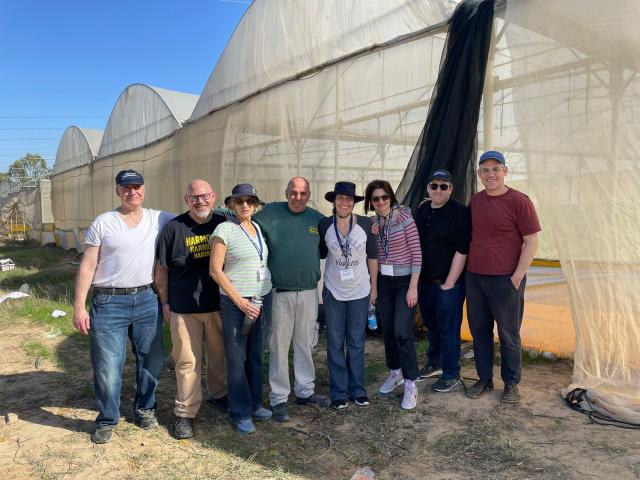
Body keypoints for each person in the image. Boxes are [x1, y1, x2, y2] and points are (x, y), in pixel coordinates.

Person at [72, 169, 174, 444]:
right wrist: (79, 307)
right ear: (118, 191)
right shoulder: (105, 222)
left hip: (146, 299)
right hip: (108, 302)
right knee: (108, 365)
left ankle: (145, 409)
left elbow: (195, 217)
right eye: (126, 188)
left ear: (144, 188)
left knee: (152, 360)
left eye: (137, 186)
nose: (132, 192)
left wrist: (232, 214)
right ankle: (107, 419)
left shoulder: (159, 218)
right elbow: (88, 265)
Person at [465, 151, 540, 403]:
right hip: (476, 278)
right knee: (480, 332)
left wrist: (517, 276)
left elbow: (531, 242)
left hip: (506, 280)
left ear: (505, 171)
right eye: (485, 170)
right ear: (479, 174)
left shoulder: (519, 201)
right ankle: (484, 378)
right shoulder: (476, 201)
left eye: (495, 169)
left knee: (508, 334)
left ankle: (511, 384)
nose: (490, 174)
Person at [155, 179, 227, 439]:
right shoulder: (173, 229)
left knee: (219, 357)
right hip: (184, 309)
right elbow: (161, 270)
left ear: (213, 196)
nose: (200, 201)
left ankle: (220, 396)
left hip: (218, 305)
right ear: (187, 200)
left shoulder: (223, 225)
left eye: (205, 196)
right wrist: (164, 302)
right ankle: (185, 413)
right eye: (194, 197)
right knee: (187, 361)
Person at [253, 177, 329, 423]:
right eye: (293, 193)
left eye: (303, 193)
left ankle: (305, 391)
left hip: (308, 292)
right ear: (286, 193)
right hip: (280, 293)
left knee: (305, 342)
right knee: (279, 345)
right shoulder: (270, 213)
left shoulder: (317, 219)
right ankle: (279, 398)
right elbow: (246, 222)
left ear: (309, 195)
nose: (298, 197)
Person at [209, 183, 273, 434]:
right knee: (236, 359)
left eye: (249, 201)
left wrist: (255, 300)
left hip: (260, 299)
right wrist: (239, 301)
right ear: (231, 205)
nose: (244, 205)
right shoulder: (224, 229)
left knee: (256, 355)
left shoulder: (256, 227)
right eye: (239, 201)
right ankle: (240, 412)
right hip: (237, 303)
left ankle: (255, 403)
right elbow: (215, 270)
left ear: (255, 204)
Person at [318, 181, 378, 410]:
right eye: (340, 198)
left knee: (356, 341)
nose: (344, 202)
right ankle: (338, 391)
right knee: (334, 342)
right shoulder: (324, 224)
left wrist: (374, 287)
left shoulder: (366, 223)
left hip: (360, 291)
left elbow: (372, 256)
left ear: (354, 203)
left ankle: (358, 389)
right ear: (334, 201)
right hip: (334, 290)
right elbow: (320, 252)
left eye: (349, 199)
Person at [363, 180, 421, 410]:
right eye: (375, 198)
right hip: (384, 282)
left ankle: (410, 383)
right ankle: (395, 372)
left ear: (391, 197)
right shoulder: (373, 223)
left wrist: (414, 286)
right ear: (370, 202)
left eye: (384, 197)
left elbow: (417, 253)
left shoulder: (405, 217)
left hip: (405, 281)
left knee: (402, 332)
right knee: (388, 331)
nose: (380, 202)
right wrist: (374, 288)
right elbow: (373, 257)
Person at [414, 170, 471, 393]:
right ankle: (434, 362)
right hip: (425, 281)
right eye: (434, 185)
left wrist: (450, 283)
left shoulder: (459, 212)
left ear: (451, 189)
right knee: (432, 325)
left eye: (444, 186)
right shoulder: (423, 209)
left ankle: (451, 372)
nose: (438, 190)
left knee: (448, 329)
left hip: (447, 283)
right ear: (428, 188)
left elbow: (462, 249)